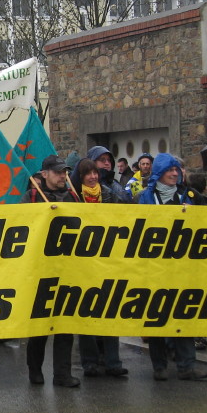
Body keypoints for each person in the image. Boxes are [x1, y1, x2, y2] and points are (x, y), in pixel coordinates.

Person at [139, 153, 207, 381]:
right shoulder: (145, 197)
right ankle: (159, 366)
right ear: (159, 173)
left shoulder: (190, 195)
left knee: (184, 315)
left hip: (183, 267)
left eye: (176, 170)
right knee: (157, 317)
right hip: (157, 267)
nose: (174, 173)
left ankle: (187, 365)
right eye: (169, 170)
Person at [21, 155, 80, 387]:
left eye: (64, 172)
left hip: (68, 269)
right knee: (39, 326)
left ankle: (62, 374)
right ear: (44, 174)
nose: (62, 176)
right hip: (40, 271)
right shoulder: (31, 197)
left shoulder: (74, 197)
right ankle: (35, 370)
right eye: (57, 173)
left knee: (65, 325)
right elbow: (22, 227)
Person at [69, 159, 129, 379]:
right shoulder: (73, 197)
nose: (93, 177)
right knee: (86, 315)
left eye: (95, 173)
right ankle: (90, 362)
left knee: (109, 313)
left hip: (107, 261)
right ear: (81, 176)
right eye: (88, 174)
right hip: (83, 264)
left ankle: (113, 361)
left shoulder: (109, 194)